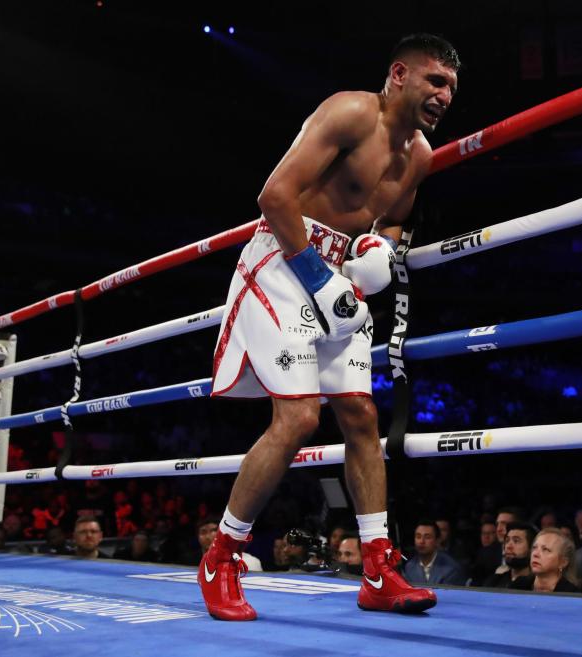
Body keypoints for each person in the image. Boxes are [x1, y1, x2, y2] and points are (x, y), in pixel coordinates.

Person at [198, 33, 460, 620]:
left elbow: (392, 219)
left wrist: (378, 251)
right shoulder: (349, 111)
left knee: (363, 416)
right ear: (399, 74)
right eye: (435, 81)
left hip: (340, 281)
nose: (445, 96)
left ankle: (377, 570)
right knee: (298, 418)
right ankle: (221, 556)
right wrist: (320, 278)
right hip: (285, 263)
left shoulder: (419, 155)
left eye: (451, 89)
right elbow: (275, 195)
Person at [510, 528, 580, 593]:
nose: (535, 554)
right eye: (534, 548)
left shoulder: (572, 594)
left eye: (545, 550)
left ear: (563, 562)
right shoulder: (518, 586)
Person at [402, 520, 466, 586]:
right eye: (418, 537)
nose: (421, 541)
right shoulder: (409, 566)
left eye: (427, 537)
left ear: (437, 541)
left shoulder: (451, 568)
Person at [483, 522, 535, 588]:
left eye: (516, 541)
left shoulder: (537, 585)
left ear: (531, 548)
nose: (508, 546)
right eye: (507, 541)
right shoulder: (494, 582)